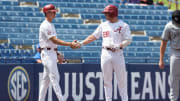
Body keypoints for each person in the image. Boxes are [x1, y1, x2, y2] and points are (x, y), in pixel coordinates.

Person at [77, 5, 132, 101]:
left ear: (113, 13)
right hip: (105, 53)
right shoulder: (103, 25)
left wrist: (119, 45)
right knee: (107, 80)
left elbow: (128, 40)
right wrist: (81, 43)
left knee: (121, 81)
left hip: (117, 53)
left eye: (107, 13)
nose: (105, 15)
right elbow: (93, 36)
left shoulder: (123, 25)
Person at [38, 4, 79, 101]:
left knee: (45, 81)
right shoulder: (45, 25)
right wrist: (70, 44)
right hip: (47, 54)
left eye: (54, 11)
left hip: (50, 52)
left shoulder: (51, 24)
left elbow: (52, 44)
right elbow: (54, 40)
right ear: (47, 13)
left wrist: (57, 54)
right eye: (53, 12)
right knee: (55, 77)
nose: (55, 13)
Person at [159, 10, 180, 101]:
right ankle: (173, 99)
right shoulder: (169, 26)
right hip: (175, 52)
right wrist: (161, 59)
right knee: (174, 78)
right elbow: (163, 43)